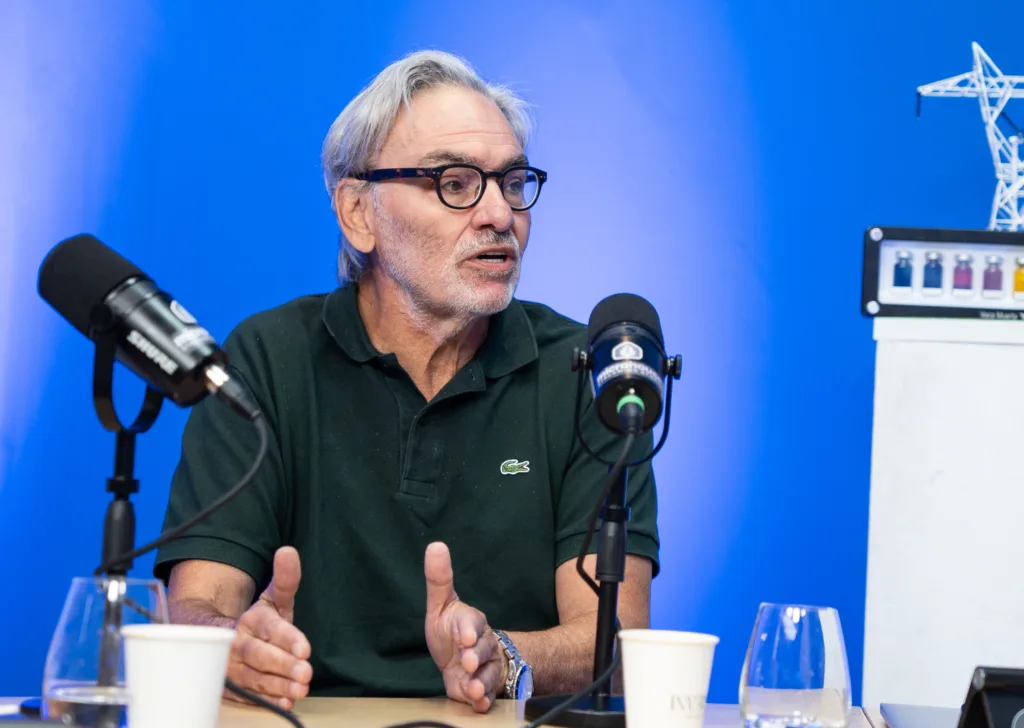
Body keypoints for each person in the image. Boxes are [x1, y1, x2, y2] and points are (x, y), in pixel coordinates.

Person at [154, 50, 660, 714]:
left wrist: (501, 657)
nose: (500, 214)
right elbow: (196, 606)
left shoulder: (587, 371)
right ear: (357, 213)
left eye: (513, 182)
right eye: (455, 182)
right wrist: (235, 647)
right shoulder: (268, 359)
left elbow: (613, 644)